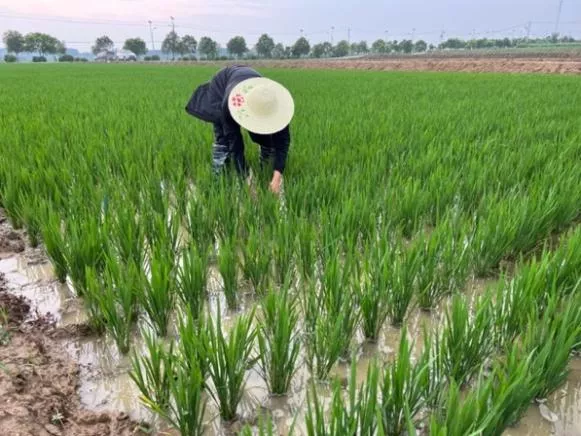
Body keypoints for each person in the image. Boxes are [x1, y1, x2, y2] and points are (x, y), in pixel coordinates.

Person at [185, 65, 294, 195]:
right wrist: (246, 180)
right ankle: (218, 179)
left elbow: (283, 142)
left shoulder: (276, 106)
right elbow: (235, 143)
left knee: (266, 138)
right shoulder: (229, 104)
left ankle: (266, 167)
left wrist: (277, 177)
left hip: (252, 87)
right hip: (222, 88)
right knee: (224, 141)